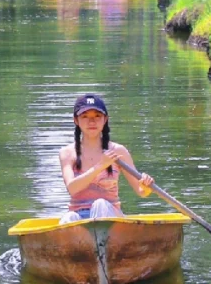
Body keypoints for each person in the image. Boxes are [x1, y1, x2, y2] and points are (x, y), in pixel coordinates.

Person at [58, 93, 155, 224]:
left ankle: (102, 241)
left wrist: (147, 185)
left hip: (111, 217)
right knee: (68, 218)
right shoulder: (67, 153)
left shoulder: (118, 151)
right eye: (85, 116)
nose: (91, 122)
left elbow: (141, 191)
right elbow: (72, 188)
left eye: (97, 116)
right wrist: (100, 166)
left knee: (100, 204)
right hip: (79, 217)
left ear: (105, 119)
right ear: (76, 120)